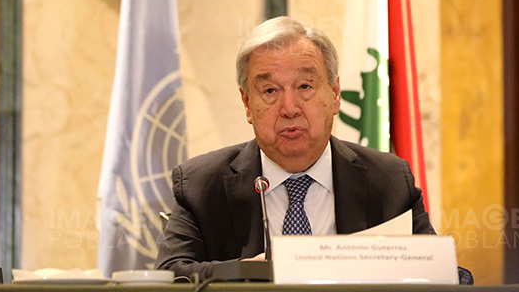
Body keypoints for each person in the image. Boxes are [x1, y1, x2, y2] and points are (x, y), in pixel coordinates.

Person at [155, 16, 433, 280]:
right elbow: (170, 275)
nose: (289, 108)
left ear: (335, 94)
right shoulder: (203, 185)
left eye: (304, 86)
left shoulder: (389, 180)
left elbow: (440, 272)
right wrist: (246, 273)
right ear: (247, 103)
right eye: (270, 91)